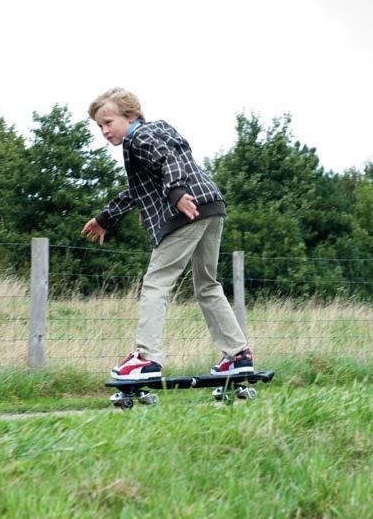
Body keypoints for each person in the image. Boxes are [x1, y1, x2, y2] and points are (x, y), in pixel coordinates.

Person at [81, 87, 254, 381]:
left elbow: (168, 161)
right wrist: (105, 218)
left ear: (131, 116)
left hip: (185, 211)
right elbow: (140, 190)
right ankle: (238, 355)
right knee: (207, 285)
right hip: (211, 207)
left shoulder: (140, 137)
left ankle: (146, 358)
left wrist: (176, 193)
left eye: (108, 123)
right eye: (99, 126)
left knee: (156, 283)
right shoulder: (155, 132)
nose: (104, 131)